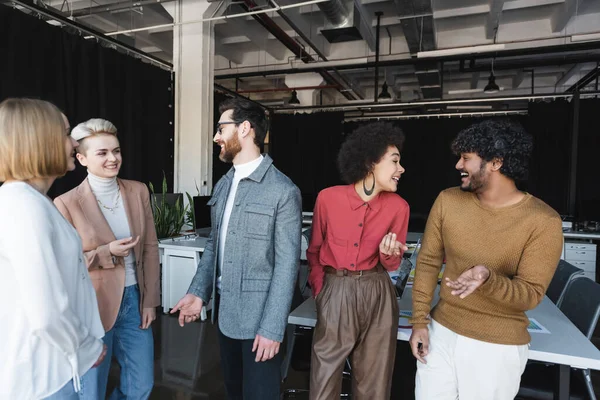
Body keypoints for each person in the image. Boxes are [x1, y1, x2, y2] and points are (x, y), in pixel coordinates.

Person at [409, 119, 564, 400]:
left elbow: (530, 294)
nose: (458, 165)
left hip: (497, 347)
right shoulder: (448, 200)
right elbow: (429, 260)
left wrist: (487, 279)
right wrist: (420, 321)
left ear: (495, 162)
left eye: (466, 158)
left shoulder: (543, 221)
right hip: (440, 333)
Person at [171, 98, 302, 400]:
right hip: (226, 318)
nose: (217, 137)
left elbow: (287, 267)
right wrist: (197, 292)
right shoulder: (223, 185)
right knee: (234, 392)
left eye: (221, 128)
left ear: (245, 128)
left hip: (260, 324)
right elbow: (214, 248)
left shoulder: (283, 191)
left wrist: (272, 328)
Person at [0, 98, 106, 399]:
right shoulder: (22, 206)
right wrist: (87, 347)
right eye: (66, 132)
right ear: (39, 140)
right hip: (40, 379)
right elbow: (46, 310)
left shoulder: (32, 202)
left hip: (51, 369)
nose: (73, 141)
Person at [54, 118, 159, 400]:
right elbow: (68, 264)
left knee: (141, 385)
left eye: (117, 151)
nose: (113, 158)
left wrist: (149, 301)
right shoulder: (66, 203)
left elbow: (150, 246)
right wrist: (106, 252)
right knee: (92, 391)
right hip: (93, 304)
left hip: (135, 301)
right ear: (82, 158)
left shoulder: (138, 191)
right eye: (102, 153)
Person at [307, 122, 410, 400]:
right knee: (324, 377)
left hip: (378, 292)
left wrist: (390, 255)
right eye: (395, 161)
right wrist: (321, 290)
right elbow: (315, 250)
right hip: (335, 289)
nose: (401, 169)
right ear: (369, 162)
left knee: (374, 383)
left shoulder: (399, 207)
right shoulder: (328, 198)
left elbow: (392, 265)